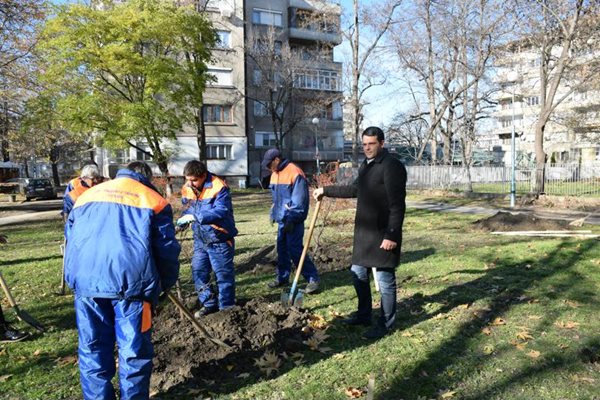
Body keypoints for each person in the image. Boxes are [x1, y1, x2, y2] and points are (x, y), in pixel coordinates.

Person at [64, 161, 180, 399]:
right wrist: (165, 284)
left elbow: (70, 236)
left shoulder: (87, 196)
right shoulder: (153, 200)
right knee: (133, 351)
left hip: (86, 284)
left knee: (92, 349)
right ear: (146, 177)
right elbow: (166, 250)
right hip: (132, 287)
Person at [313, 126, 406, 339]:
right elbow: (355, 189)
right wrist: (326, 190)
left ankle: (386, 322)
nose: (367, 148)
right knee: (358, 273)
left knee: (384, 278)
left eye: (371, 144)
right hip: (365, 234)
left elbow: (397, 205)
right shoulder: (367, 165)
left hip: (383, 233)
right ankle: (364, 314)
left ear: (382, 143)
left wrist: (392, 234)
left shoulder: (392, 166)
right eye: (364, 144)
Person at [176, 160, 237, 317]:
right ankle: (209, 304)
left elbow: (221, 211)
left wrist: (195, 216)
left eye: (194, 180)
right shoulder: (187, 188)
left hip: (220, 239)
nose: (190, 183)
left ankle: (227, 309)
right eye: (187, 179)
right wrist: (182, 222)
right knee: (198, 272)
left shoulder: (219, 187)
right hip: (200, 239)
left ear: (203, 175)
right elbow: (187, 209)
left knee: (223, 276)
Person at [261, 148, 320, 294]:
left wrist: (292, 219)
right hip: (282, 219)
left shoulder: (295, 172)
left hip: (293, 219)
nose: (268, 168)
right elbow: (277, 198)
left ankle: (312, 279)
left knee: (295, 250)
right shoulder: (275, 174)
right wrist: (273, 212)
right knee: (282, 250)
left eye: (270, 164)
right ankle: (282, 277)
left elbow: (299, 201)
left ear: (276, 160)